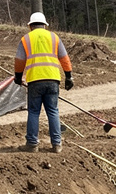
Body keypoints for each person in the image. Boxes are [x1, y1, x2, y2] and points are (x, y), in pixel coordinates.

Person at [14, 12, 73, 153]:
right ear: (45, 25)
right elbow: (64, 58)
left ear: (30, 26)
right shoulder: (54, 37)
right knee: (53, 111)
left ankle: (32, 144)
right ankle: (57, 144)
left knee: (34, 112)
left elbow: (19, 60)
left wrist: (18, 76)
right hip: (53, 79)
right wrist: (69, 76)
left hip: (35, 80)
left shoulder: (26, 39)